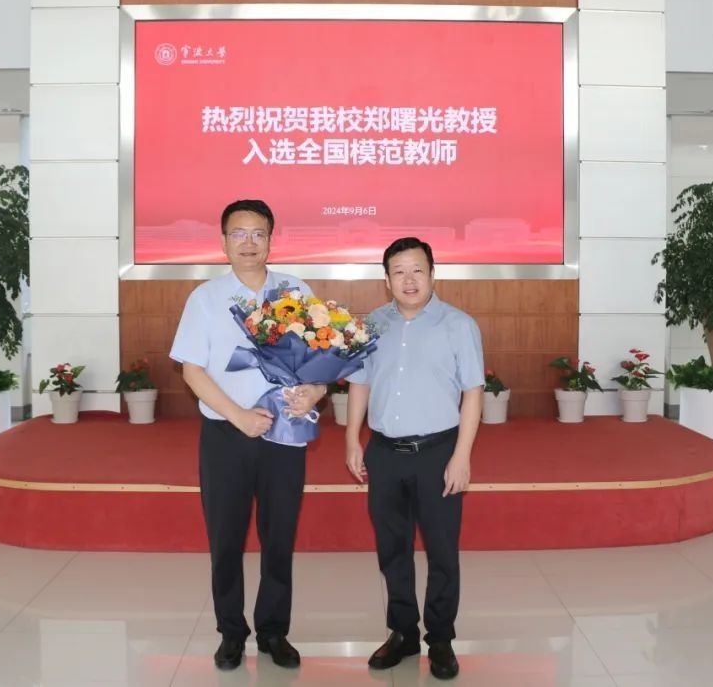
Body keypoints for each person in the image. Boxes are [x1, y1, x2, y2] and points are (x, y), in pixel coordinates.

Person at [170, 199, 326, 671]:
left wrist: (316, 391)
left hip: (285, 433)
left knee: (279, 537)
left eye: (258, 233)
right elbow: (192, 371)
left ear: (271, 240)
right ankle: (231, 633)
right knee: (226, 539)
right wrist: (238, 416)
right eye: (238, 234)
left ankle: (274, 631)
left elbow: (321, 359)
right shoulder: (206, 298)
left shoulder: (295, 290)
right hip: (227, 434)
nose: (249, 243)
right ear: (223, 242)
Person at [345, 237, 484, 680]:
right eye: (399, 272)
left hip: (438, 453)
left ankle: (440, 638)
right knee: (393, 549)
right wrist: (352, 439)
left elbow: (473, 392)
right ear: (386, 280)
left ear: (432, 274)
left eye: (417, 270)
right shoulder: (372, 324)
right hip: (384, 452)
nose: (409, 280)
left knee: (442, 550)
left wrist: (461, 456)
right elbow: (360, 382)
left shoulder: (458, 325)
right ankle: (403, 632)